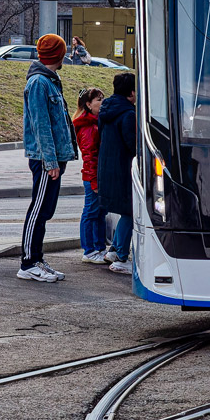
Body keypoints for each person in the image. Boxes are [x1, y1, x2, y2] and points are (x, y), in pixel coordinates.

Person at [18, 34, 78, 283]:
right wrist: (50, 162)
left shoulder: (49, 80)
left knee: (45, 210)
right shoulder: (39, 83)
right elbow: (41, 125)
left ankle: (37, 259)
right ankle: (28, 263)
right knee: (39, 210)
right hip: (46, 160)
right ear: (59, 55)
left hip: (52, 158)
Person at [97, 72, 137, 275]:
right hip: (123, 170)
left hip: (107, 168)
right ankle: (121, 256)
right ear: (131, 92)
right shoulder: (128, 114)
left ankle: (113, 251)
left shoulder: (106, 110)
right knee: (130, 211)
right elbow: (132, 145)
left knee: (125, 210)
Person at [73, 88, 106, 265]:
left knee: (99, 213)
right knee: (91, 213)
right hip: (93, 177)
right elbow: (89, 156)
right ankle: (89, 250)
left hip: (97, 175)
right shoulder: (88, 126)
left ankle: (99, 247)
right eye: (98, 100)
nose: (102, 102)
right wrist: (94, 181)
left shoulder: (95, 122)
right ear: (88, 104)